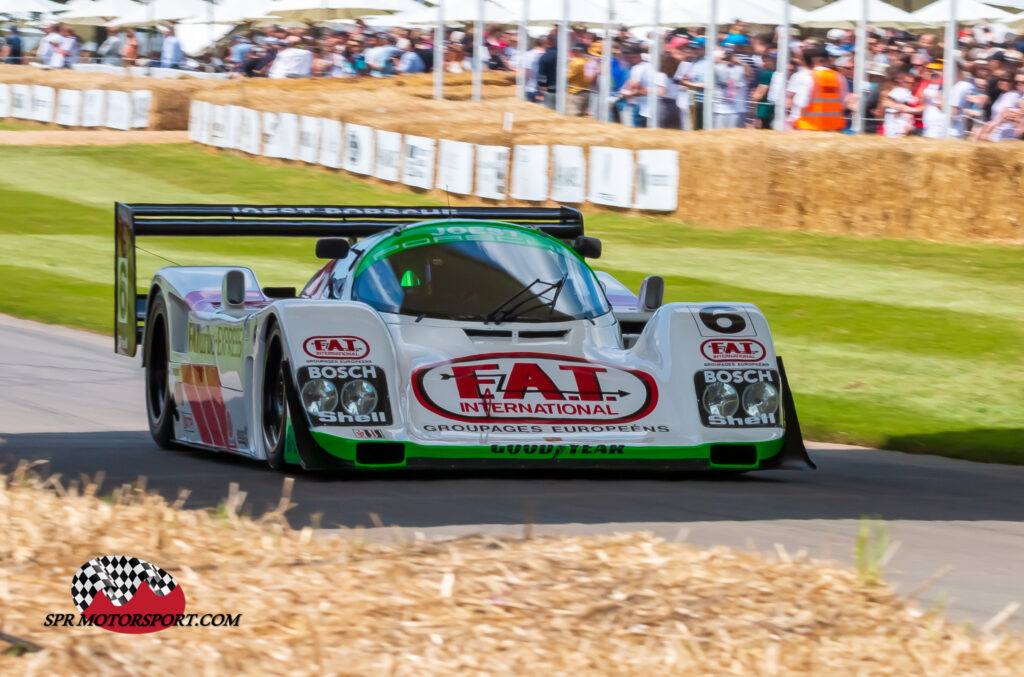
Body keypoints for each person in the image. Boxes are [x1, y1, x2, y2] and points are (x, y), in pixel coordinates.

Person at [791, 47, 847, 131]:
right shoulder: (839, 77)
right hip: (834, 127)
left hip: (809, 126)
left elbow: (801, 103)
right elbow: (844, 102)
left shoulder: (809, 77)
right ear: (828, 60)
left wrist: (794, 119)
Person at [567, 42, 590, 116]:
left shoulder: (576, 62)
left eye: (574, 50)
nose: (573, 52)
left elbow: (567, 77)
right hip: (586, 92)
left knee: (571, 118)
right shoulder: (588, 60)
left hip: (575, 93)